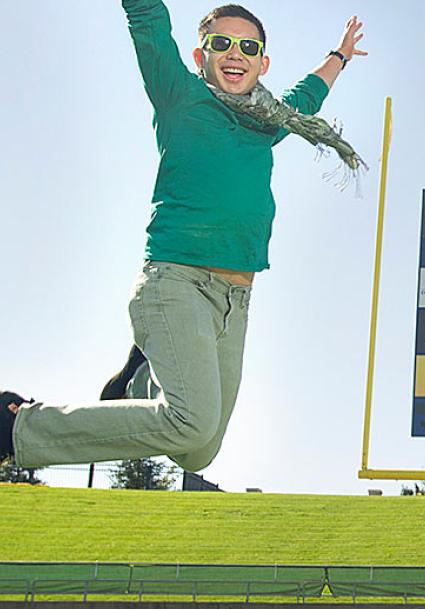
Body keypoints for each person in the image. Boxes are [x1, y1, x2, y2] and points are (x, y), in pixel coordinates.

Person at [1, 2, 367, 473]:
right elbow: (148, 23)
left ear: (263, 62)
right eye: (222, 43)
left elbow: (307, 95)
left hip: (235, 299)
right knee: (192, 421)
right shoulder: (179, 95)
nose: (235, 54)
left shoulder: (268, 122)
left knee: (198, 451)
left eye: (248, 46)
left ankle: (139, 382)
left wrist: (338, 55)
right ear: (201, 55)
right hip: (176, 280)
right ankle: (17, 429)